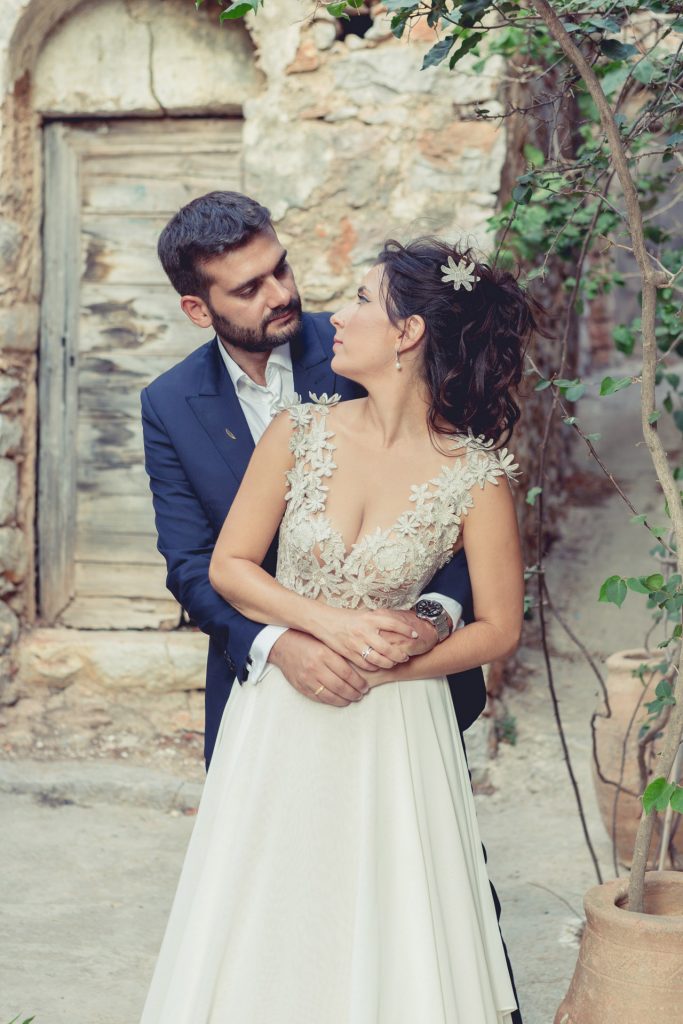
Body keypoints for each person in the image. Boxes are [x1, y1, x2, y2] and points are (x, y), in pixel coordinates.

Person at [139, 227, 536, 1022]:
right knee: (266, 908)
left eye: (360, 299)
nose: (322, 307)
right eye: (246, 287)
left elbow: (498, 626)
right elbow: (218, 565)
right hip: (281, 708)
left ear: (410, 333)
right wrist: (314, 631)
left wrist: (403, 651)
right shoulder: (297, 428)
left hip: (398, 722)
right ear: (200, 306)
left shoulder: (476, 472)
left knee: (408, 916)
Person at [142, 191, 487, 767]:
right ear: (199, 311)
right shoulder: (169, 403)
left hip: (399, 680)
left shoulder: (370, 346)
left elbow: (460, 497)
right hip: (262, 677)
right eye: (249, 289)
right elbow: (190, 562)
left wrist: (430, 620)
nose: (280, 294)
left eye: (279, 267)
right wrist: (282, 646)